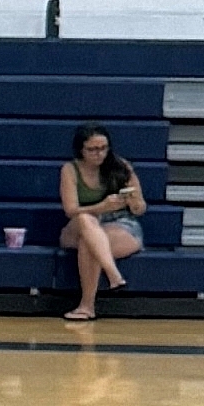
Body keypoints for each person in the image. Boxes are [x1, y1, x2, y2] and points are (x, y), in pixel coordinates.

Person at [56, 123, 145, 324]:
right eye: (92, 149)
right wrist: (101, 207)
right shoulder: (70, 170)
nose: (99, 154)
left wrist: (133, 202)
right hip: (81, 223)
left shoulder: (121, 167)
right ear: (81, 149)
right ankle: (112, 272)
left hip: (119, 223)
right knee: (87, 221)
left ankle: (87, 306)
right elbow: (71, 210)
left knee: (90, 244)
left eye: (103, 148)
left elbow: (141, 208)